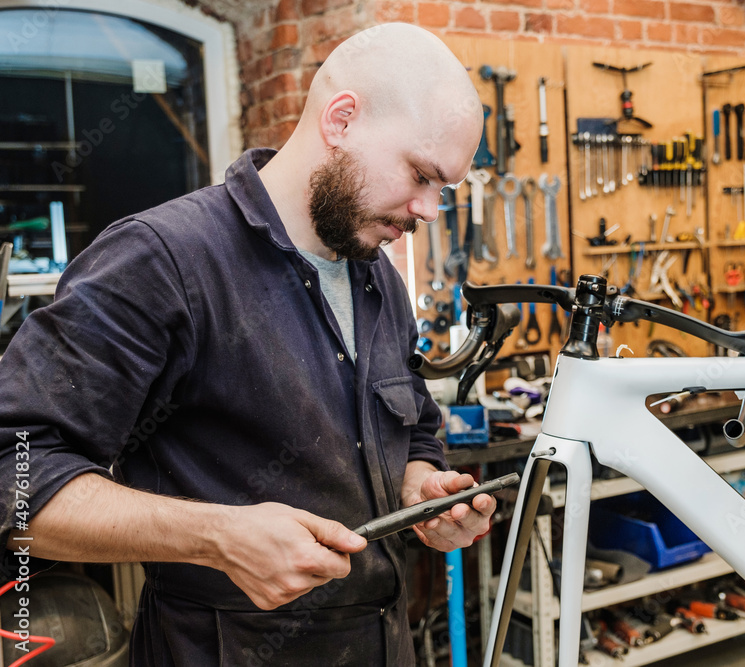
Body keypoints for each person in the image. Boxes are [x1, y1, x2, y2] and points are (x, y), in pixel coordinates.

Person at [0, 23, 491, 666]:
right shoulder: (163, 261)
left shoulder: (378, 279)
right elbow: (15, 475)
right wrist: (217, 537)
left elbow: (413, 433)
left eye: (442, 190)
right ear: (341, 120)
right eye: (421, 175)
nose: (428, 210)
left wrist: (421, 489)